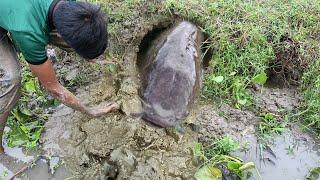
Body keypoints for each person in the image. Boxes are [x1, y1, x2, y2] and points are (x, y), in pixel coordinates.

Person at [0, 0, 119, 154]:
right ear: (58, 33)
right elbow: (54, 89)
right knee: (11, 78)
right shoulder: (28, 32)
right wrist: (91, 111)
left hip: (18, 9)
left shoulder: (72, 8)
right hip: (17, 18)